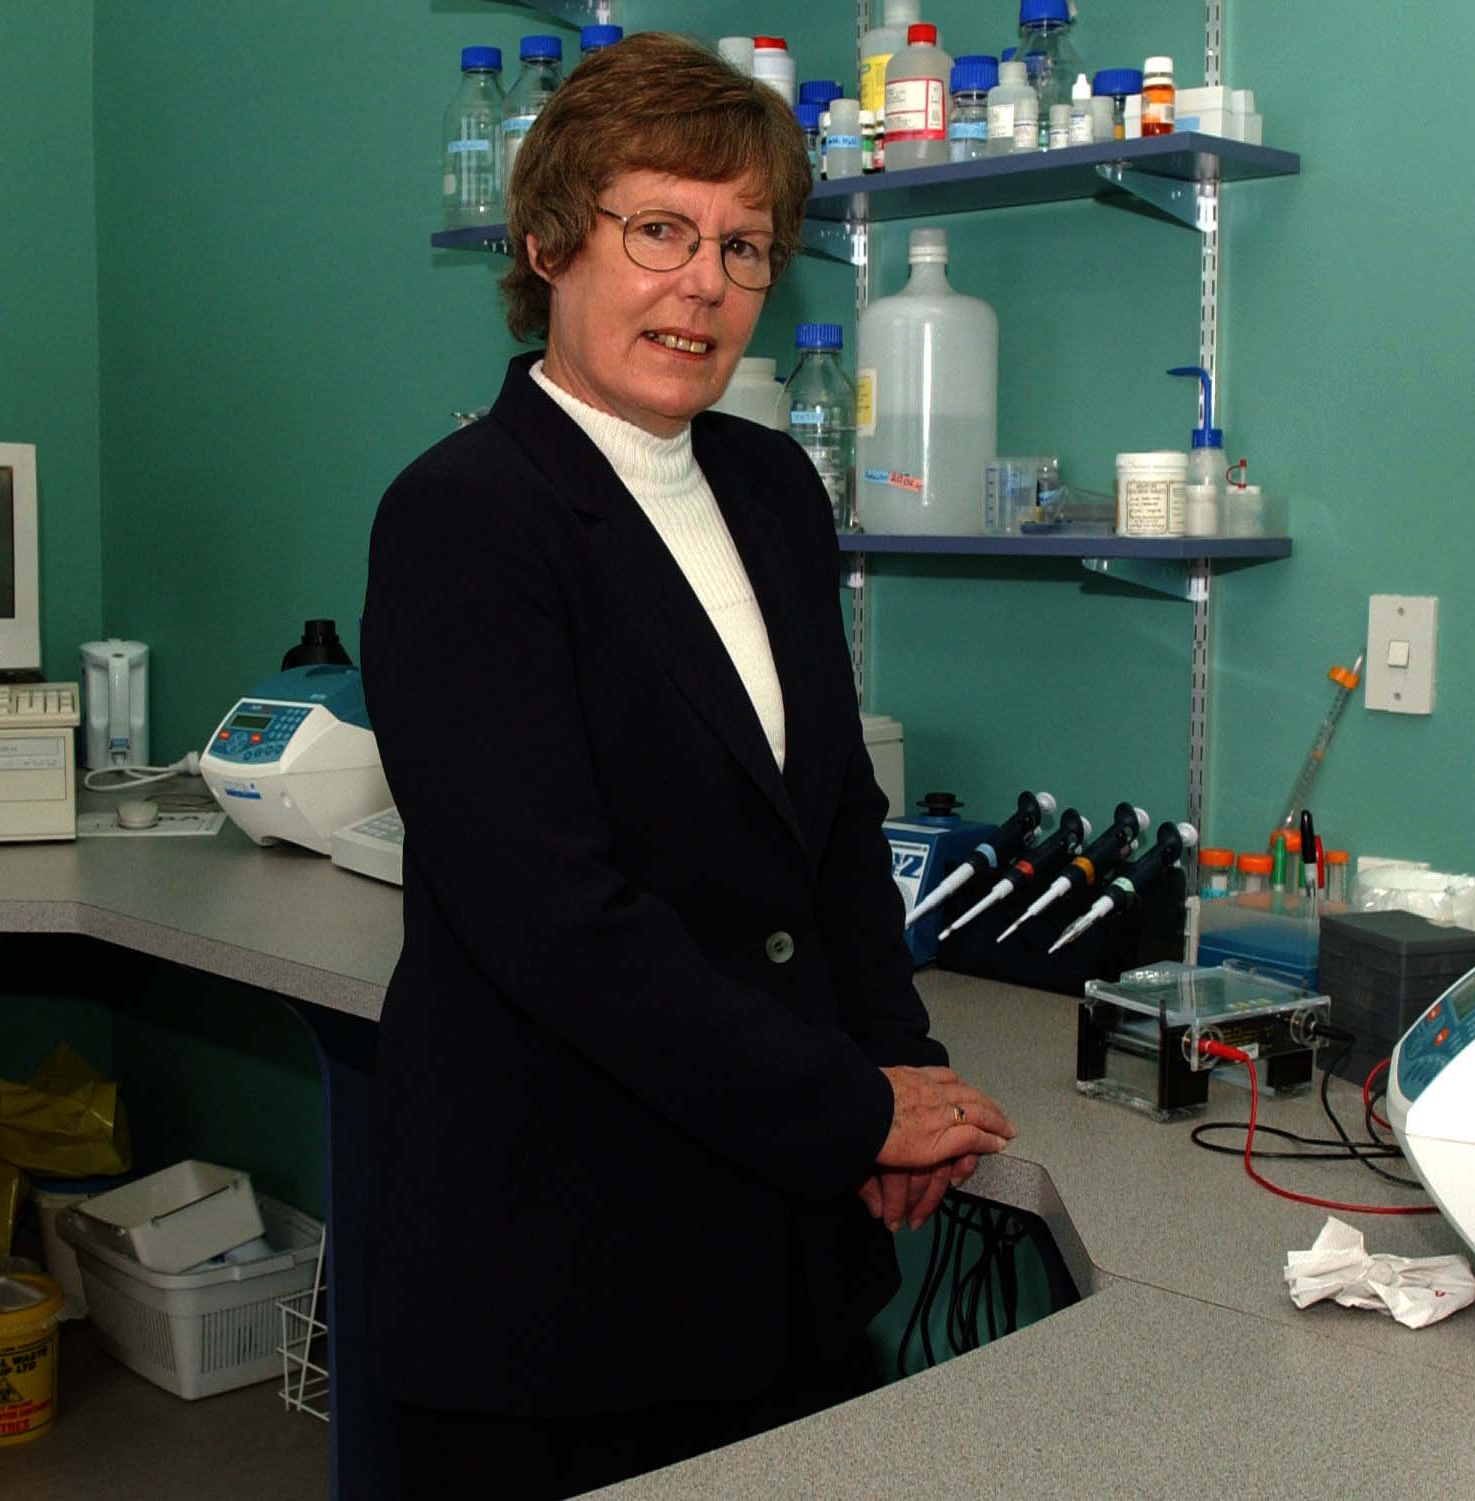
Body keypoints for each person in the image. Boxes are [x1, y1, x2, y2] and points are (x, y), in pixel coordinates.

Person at [361, 32, 1018, 1499]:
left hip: (775, 1247)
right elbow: (555, 918)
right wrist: (846, 1109)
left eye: (744, 246)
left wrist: (896, 1054)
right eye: (657, 229)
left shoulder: (769, 484)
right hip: (559, 1270)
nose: (703, 283)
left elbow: (833, 814)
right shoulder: (465, 516)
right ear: (544, 241)